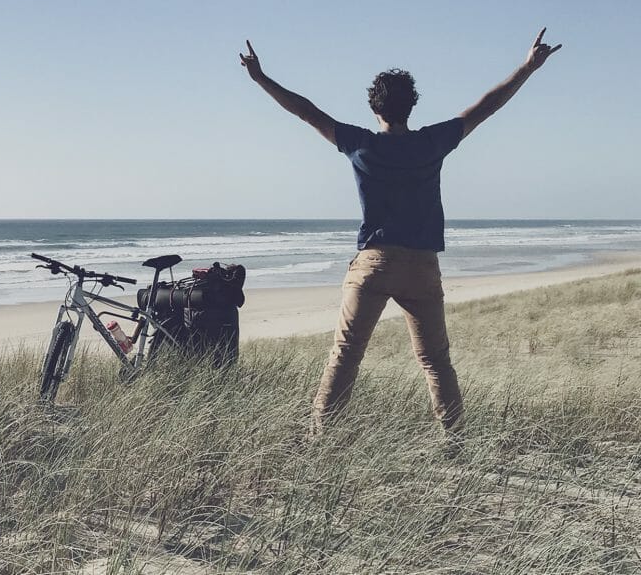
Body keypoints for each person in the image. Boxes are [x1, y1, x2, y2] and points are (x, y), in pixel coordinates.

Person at [240, 29, 562, 445]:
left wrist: (261, 79)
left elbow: (306, 111)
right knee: (435, 361)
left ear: (374, 107)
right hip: (421, 267)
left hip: (373, 263)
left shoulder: (360, 144)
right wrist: (527, 68)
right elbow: (486, 107)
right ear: (411, 105)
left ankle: (321, 439)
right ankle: (455, 441)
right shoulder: (431, 142)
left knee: (346, 356)